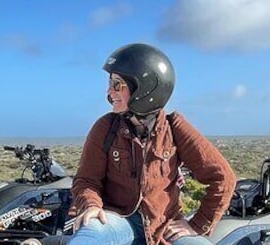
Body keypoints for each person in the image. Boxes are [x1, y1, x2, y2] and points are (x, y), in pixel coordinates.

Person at [70, 43, 237, 245]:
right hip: (120, 220)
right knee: (90, 234)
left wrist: (197, 224)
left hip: (165, 228)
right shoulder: (106, 127)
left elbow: (223, 178)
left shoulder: (174, 128)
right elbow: (87, 179)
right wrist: (91, 206)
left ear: (145, 89)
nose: (109, 92)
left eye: (117, 84)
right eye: (110, 84)